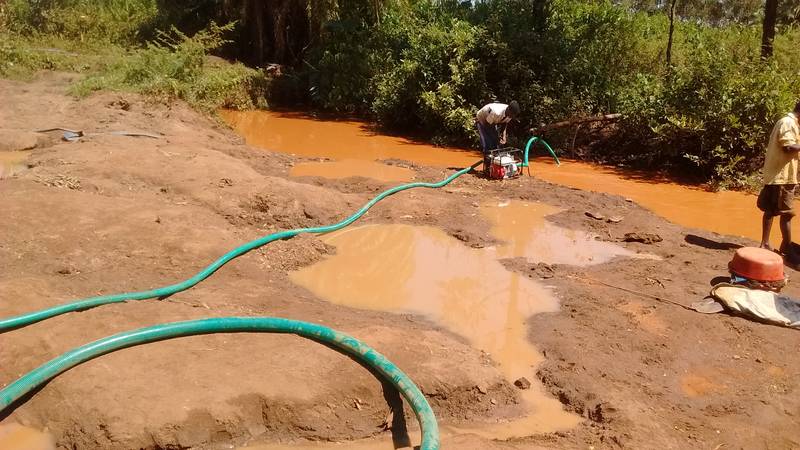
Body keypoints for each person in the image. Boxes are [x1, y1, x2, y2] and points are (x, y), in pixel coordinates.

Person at [758, 101, 800, 263]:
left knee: (770, 210)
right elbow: (788, 147)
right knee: (787, 214)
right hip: (782, 176)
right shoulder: (788, 123)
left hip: (777, 174)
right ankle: (787, 249)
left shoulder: (789, 122)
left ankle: (765, 243)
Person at [475, 101, 520, 175]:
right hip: (482, 120)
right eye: (512, 115)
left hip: (492, 121)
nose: (512, 117)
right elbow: (488, 125)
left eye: (514, 115)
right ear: (509, 110)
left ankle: (495, 167)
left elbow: (504, 124)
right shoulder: (496, 112)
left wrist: (503, 136)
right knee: (488, 144)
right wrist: (496, 138)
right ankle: (487, 169)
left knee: (496, 145)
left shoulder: (510, 114)